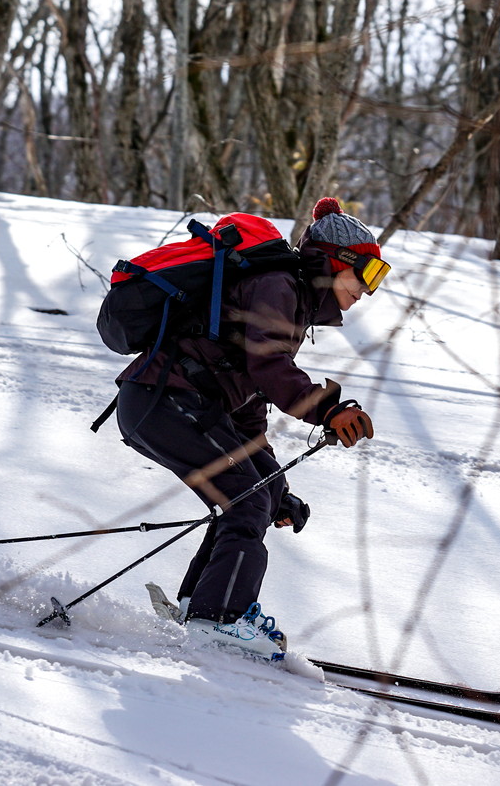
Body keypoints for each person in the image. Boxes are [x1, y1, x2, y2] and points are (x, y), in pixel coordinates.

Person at [114, 197, 390, 658]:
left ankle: (199, 605)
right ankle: (218, 618)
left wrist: (278, 493)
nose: (367, 290)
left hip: (174, 404)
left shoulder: (291, 298)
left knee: (251, 493)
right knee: (245, 498)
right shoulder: (278, 285)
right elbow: (268, 367)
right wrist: (328, 410)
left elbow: (247, 407)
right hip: (165, 400)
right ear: (333, 262)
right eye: (367, 274)